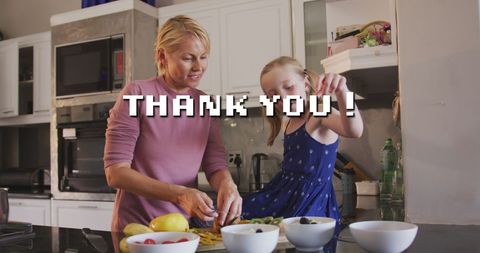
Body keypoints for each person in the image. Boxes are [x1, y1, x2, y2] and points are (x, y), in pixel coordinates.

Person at [104, 15, 242, 233]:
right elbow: (116, 173)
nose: (199, 67)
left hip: (184, 229)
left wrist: (227, 183)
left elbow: (214, 163)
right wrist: (180, 194)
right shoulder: (137, 94)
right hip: (137, 228)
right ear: (162, 56)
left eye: (204, 57)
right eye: (188, 58)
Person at [242, 56, 363, 252]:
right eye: (272, 94)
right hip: (283, 193)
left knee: (303, 245)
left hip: (311, 200)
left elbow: (354, 130)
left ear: (306, 84)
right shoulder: (288, 122)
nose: (281, 96)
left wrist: (342, 91)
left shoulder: (318, 113)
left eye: (288, 87)